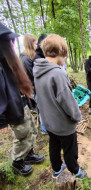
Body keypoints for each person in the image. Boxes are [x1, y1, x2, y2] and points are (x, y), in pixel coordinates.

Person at [33, 34, 87, 179]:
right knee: (70, 149)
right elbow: (67, 101)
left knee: (54, 146)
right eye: (65, 56)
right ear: (60, 52)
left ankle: (56, 168)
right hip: (63, 125)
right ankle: (75, 170)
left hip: (49, 122)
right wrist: (76, 116)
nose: (64, 59)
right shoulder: (58, 73)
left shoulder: (37, 70)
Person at [0, 22, 44, 176]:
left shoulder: (9, 60)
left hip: (22, 103)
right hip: (12, 108)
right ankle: (17, 162)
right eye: (9, 41)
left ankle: (28, 154)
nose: (13, 44)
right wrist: (2, 121)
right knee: (21, 135)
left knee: (31, 129)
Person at [33, 34, 48, 134]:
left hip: (42, 88)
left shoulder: (42, 56)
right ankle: (44, 129)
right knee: (42, 109)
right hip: (38, 89)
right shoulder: (38, 58)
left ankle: (46, 127)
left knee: (45, 109)